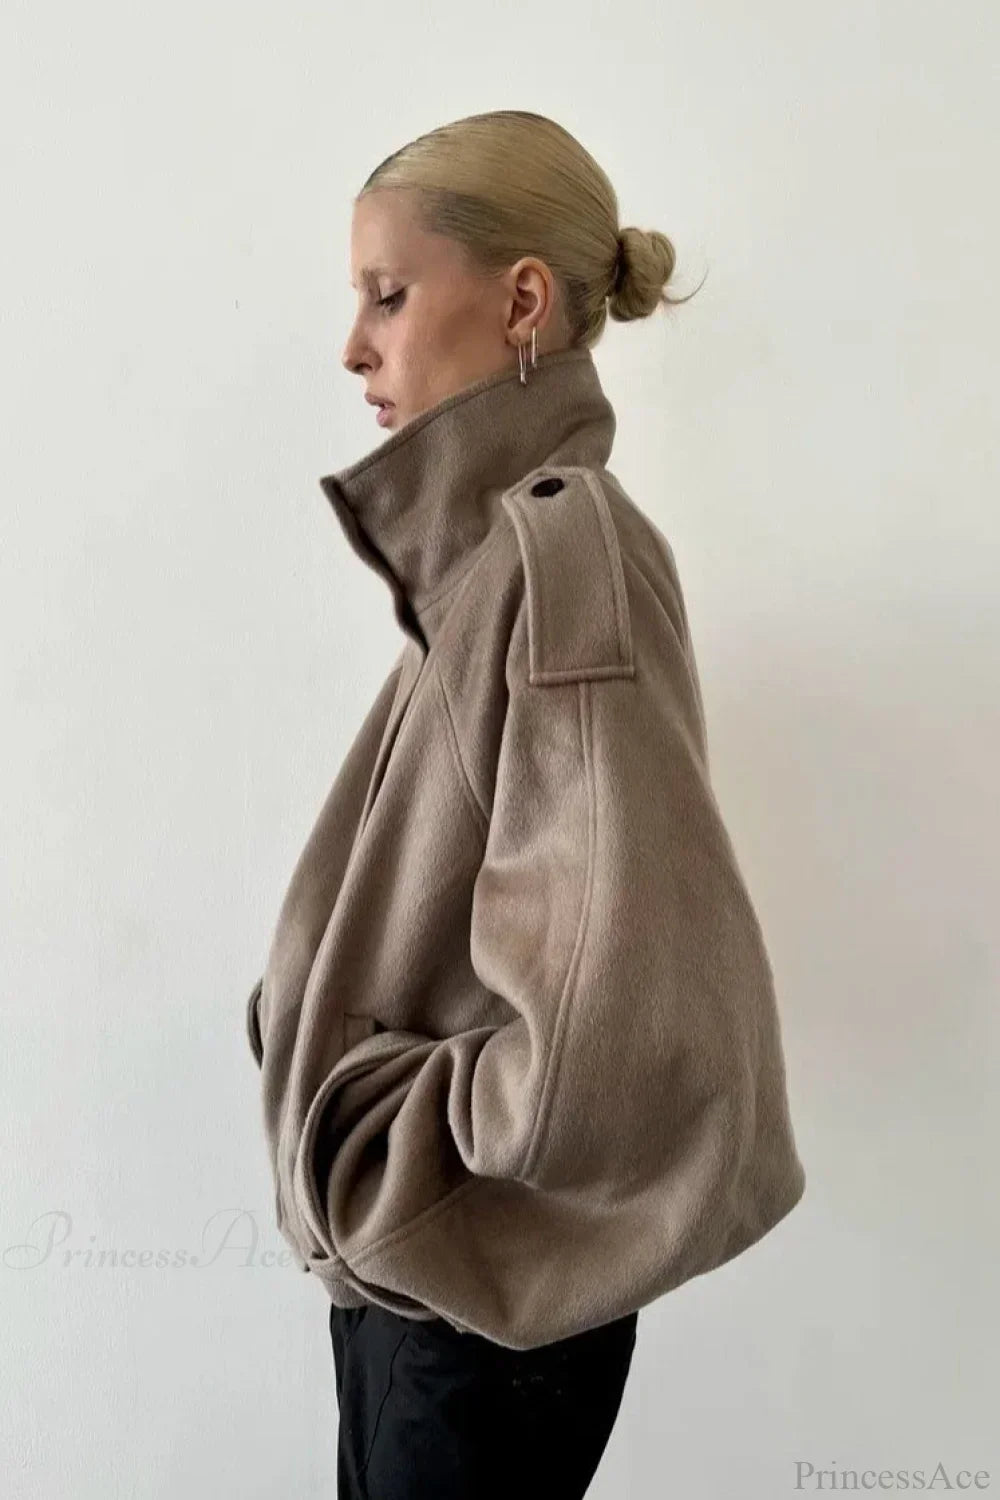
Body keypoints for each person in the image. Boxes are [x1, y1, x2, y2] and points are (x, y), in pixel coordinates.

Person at [244, 109, 806, 1499]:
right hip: (436, 1299)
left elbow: (603, 1030)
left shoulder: (560, 561)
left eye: (389, 294)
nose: (354, 346)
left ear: (522, 303)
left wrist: (392, 1156)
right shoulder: (495, 566)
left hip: (475, 1315)